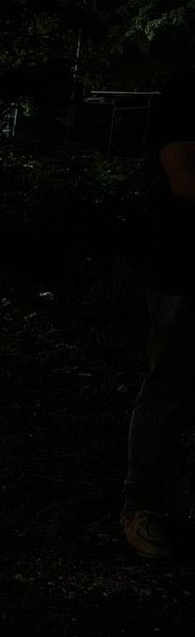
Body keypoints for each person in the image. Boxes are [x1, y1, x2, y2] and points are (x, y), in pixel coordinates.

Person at [121, 67, 195, 558]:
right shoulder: (184, 94)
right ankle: (140, 507)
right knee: (167, 389)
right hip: (184, 273)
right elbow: (185, 179)